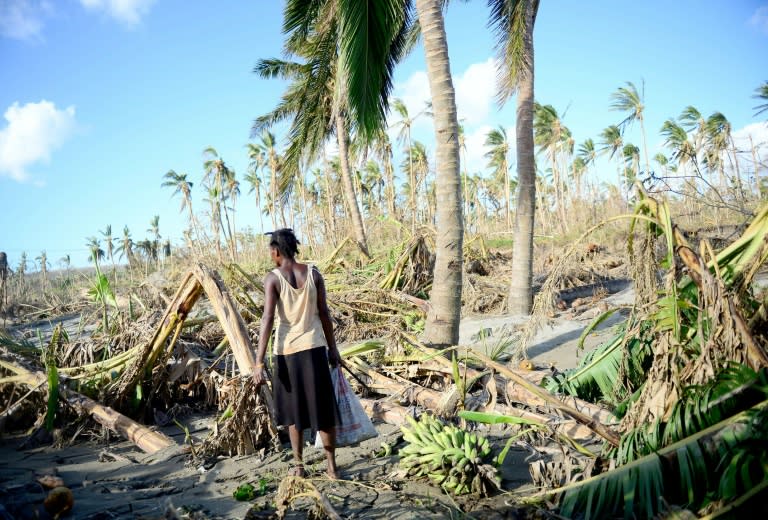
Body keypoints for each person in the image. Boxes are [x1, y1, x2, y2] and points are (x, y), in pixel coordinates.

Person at [252, 229, 342, 479]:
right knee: (323, 410)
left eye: (271, 251)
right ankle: (331, 467)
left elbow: (267, 318)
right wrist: (333, 349)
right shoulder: (313, 274)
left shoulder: (273, 279)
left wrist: (258, 362)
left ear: (277, 251)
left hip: (287, 352)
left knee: (294, 413)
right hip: (314, 348)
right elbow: (324, 313)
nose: (271, 255)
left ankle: (299, 466)